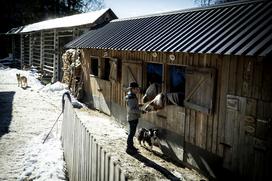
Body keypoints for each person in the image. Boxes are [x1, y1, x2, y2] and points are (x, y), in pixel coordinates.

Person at [125, 81, 144, 154]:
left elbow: (133, 106)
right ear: (132, 89)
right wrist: (141, 111)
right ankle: (129, 148)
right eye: (136, 89)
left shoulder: (132, 95)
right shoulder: (131, 97)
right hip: (132, 117)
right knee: (131, 134)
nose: (137, 90)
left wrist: (139, 105)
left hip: (133, 117)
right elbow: (132, 109)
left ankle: (131, 146)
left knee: (132, 133)